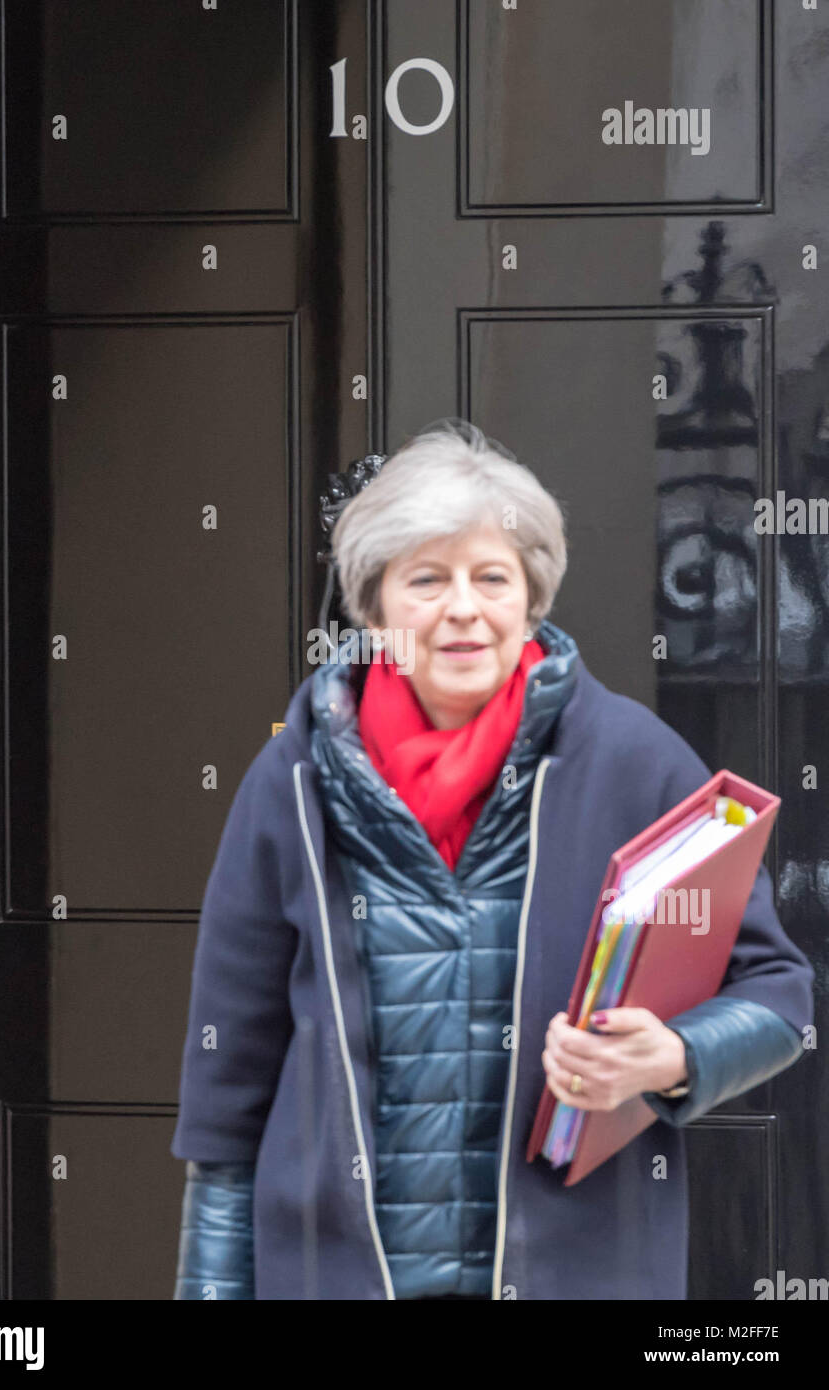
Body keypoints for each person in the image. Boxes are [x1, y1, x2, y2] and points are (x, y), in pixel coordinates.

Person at [169, 419, 813, 1300]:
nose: (463, 608)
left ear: (532, 597)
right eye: (425, 580)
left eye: (492, 578)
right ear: (374, 605)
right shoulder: (294, 775)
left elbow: (776, 992)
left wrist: (670, 1056)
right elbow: (227, 1094)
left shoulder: (635, 758)